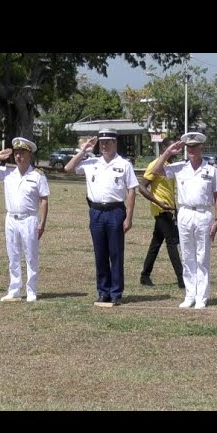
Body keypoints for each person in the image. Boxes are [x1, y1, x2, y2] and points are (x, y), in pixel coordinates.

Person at [64, 128, 139, 306]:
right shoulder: (91, 162)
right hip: (96, 212)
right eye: (102, 143)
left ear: (115, 143)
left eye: (108, 142)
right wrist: (84, 150)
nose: (105, 146)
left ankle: (116, 293)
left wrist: (129, 217)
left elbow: (131, 191)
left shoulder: (124, 164)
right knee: (100, 254)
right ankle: (103, 291)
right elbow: (68, 168)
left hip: (115, 211)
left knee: (116, 253)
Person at [152, 132, 217, 309]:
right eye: (188, 147)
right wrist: (168, 152)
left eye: (194, 146)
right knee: (187, 256)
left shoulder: (211, 169)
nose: (191, 150)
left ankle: (202, 296)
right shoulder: (179, 167)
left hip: (203, 213)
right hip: (184, 213)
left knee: (202, 256)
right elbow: (156, 171)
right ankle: (190, 294)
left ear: (201, 147)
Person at [0, 137, 50, 302]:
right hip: (11, 218)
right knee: (13, 256)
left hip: (29, 219)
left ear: (30, 155)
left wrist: (42, 223)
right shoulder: (8, 172)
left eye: (22, 153)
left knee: (31, 256)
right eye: (16, 153)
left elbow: (44, 200)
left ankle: (31, 290)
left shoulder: (37, 175)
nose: (19, 156)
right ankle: (14, 289)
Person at [138, 137, 184, 288]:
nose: (175, 151)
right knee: (172, 242)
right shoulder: (155, 165)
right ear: (164, 149)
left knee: (156, 242)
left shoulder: (171, 166)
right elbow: (142, 187)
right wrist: (158, 202)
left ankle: (145, 275)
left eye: (176, 149)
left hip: (169, 209)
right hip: (161, 210)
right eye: (172, 148)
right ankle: (182, 279)